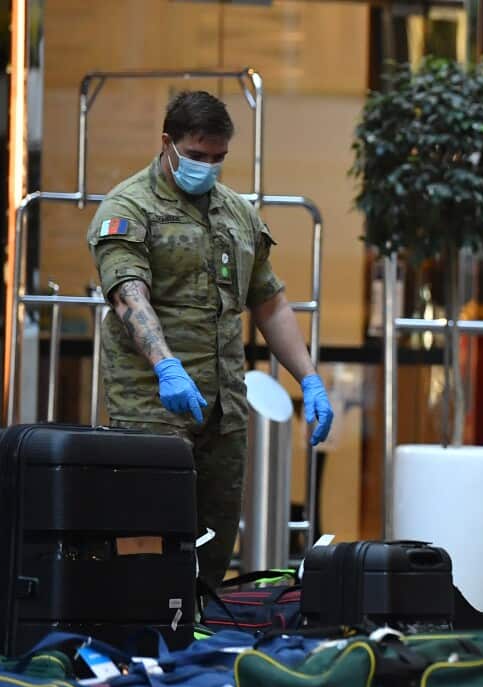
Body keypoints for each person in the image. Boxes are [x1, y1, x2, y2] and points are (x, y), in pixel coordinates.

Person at [88, 91, 334, 587]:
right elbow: (129, 296)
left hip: (223, 409)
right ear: (167, 143)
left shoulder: (237, 214)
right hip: (153, 407)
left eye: (218, 158)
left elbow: (270, 302)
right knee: (148, 541)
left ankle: (198, 639)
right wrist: (166, 366)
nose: (208, 167)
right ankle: (141, 642)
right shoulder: (130, 207)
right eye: (197, 156)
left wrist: (309, 379)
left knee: (215, 539)